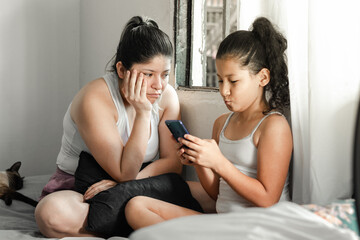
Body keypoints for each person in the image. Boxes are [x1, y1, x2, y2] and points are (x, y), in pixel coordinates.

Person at [125, 16, 293, 230]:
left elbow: (268, 198)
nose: (224, 91)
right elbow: (216, 193)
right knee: (136, 206)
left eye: (233, 81)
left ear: (262, 78)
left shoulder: (273, 126)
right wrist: (201, 162)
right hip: (224, 221)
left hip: (256, 228)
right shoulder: (222, 123)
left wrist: (219, 163)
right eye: (221, 80)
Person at [35, 16, 183, 238]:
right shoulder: (95, 98)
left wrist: (124, 184)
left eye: (165, 74)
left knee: (207, 196)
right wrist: (143, 113)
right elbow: (124, 172)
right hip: (83, 189)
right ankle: (137, 226)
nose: (159, 86)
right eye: (148, 74)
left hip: (137, 186)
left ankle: (125, 224)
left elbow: (173, 163)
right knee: (51, 214)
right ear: (122, 70)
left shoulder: (167, 96)